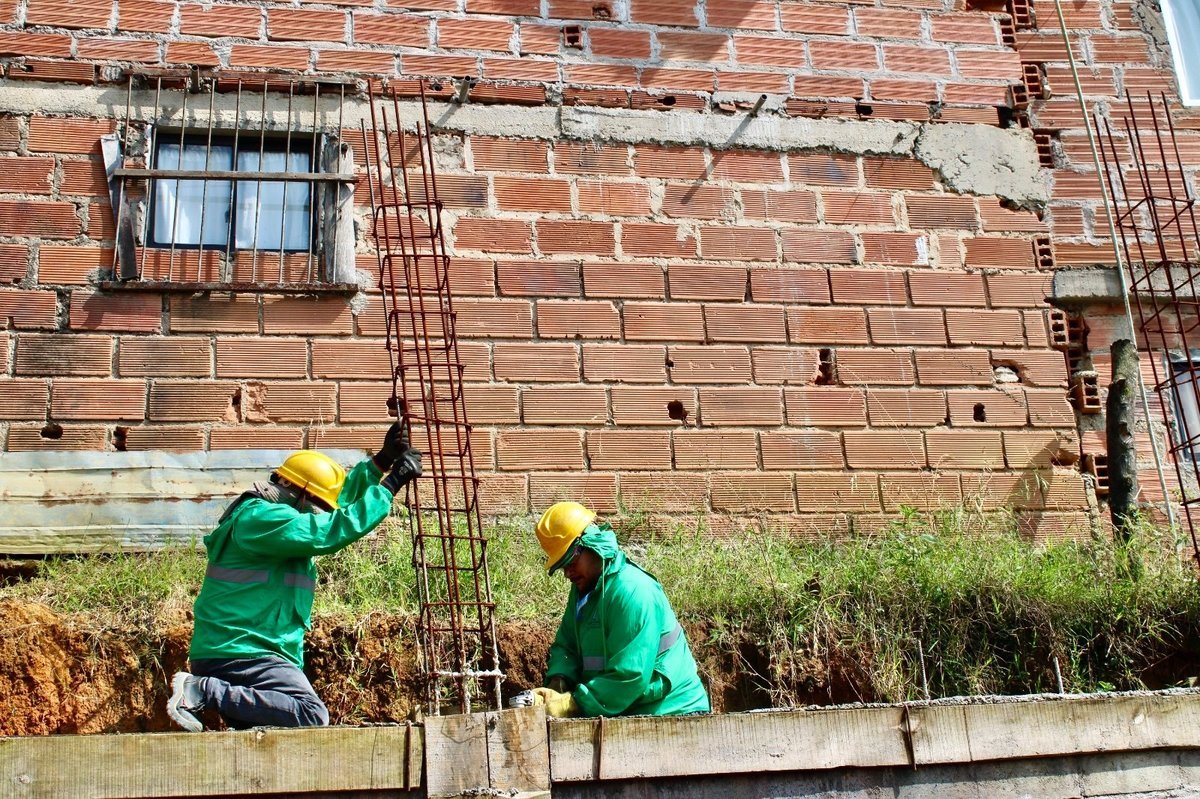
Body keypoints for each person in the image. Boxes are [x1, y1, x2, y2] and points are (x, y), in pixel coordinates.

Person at [166, 421, 422, 732]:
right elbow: (328, 528)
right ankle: (200, 690)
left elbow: (332, 505)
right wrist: (390, 486)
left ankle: (206, 692)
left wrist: (380, 463)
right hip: (242, 653)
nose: (320, 514)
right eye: (315, 508)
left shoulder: (281, 513)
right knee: (310, 713)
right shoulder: (261, 518)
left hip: (251, 652)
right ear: (299, 494)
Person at [530, 501, 710, 718]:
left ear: (590, 544)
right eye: (561, 566)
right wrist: (560, 680)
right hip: (626, 709)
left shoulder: (633, 592)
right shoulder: (583, 591)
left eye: (570, 562)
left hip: (674, 712)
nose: (567, 573)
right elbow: (566, 645)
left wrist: (572, 703)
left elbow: (630, 675)